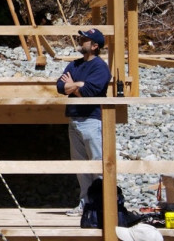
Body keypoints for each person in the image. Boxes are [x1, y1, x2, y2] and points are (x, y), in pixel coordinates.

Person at [56, 28, 112, 216]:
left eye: (86, 39)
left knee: (97, 164)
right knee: (80, 165)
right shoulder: (75, 64)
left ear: (95, 46)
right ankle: (85, 204)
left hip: (91, 120)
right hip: (74, 120)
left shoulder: (100, 67)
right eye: (82, 38)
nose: (82, 41)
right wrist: (78, 85)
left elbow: (89, 92)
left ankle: (103, 204)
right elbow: (60, 86)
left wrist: (76, 86)